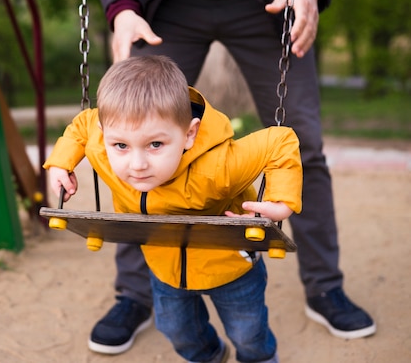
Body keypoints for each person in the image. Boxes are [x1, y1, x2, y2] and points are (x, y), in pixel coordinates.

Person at [89, 0, 376, 354]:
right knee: (136, 132)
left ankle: (324, 287)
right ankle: (136, 294)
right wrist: (122, 5)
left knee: (304, 143)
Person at [44, 55, 303, 362]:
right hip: (164, 264)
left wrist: (281, 199)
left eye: (155, 145)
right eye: (121, 146)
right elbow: (83, 125)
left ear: (189, 134)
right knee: (174, 328)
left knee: (247, 332)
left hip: (230, 266)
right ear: (106, 135)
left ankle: (258, 359)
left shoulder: (217, 167)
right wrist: (61, 162)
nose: (137, 165)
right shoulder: (103, 144)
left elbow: (280, 141)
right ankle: (208, 355)